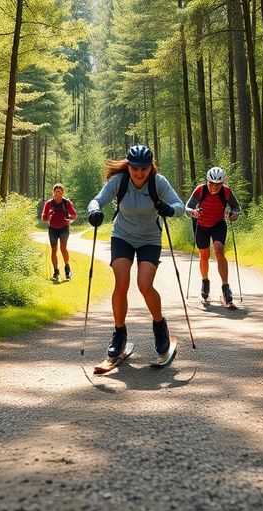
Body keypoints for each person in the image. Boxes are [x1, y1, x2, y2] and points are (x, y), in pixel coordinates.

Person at [86, 144, 185, 365]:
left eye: (144, 169)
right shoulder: (119, 181)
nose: (139, 173)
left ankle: (160, 326)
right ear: (128, 166)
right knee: (121, 282)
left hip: (150, 239)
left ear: (151, 167)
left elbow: (180, 206)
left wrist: (169, 209)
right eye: (135, 169)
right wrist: (93, 210)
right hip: (122, 235)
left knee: (144, 285)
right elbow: (97, 199)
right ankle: (119, 334)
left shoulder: (158, 182)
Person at [185, 166, 241, 306]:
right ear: (207, 181)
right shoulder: (200, 189)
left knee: (219, 250)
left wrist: (234, 214)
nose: (214, 187)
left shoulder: (226, 191)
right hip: (201, 225)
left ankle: (225, 288)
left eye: (218, 184)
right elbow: (188, 207)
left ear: (222, 183)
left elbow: (236, 207)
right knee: (204, 256)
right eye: (211, 183)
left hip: (218, 224)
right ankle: (205, 282)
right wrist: (193, 212)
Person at [41, 183, 77, 282]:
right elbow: (43, 218)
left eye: (60, 192)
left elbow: (74, 215)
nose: (58, 193)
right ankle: (56, 272)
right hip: (52, 229)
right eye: (56, 191)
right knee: (54, 250)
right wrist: (49, 215)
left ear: (63, 192)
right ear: (53, 192)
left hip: (64, 228)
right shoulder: (49, 203)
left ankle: (67, 268)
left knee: (63, 248)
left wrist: (71, 221)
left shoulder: (66, 202)